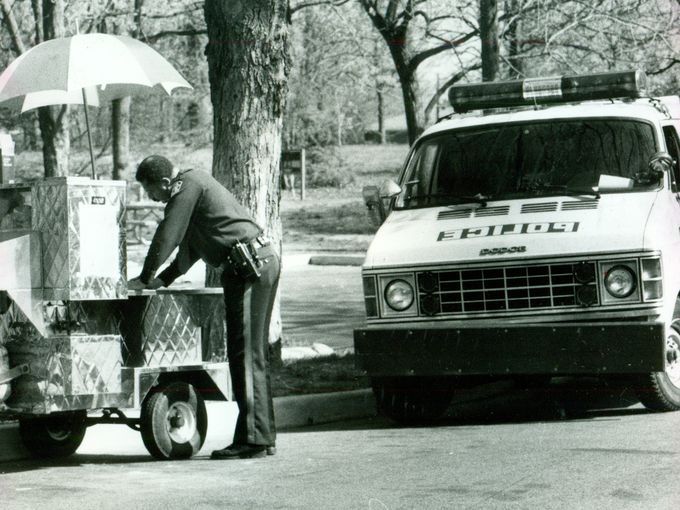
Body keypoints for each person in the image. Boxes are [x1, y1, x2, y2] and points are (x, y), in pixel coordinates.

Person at [128, 155, 280, 460]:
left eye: (150, 191)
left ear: (165, 182)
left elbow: (169, 235)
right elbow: (192, 247)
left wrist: (144, 278)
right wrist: (162, 279)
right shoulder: (193, 188)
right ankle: (261, 436)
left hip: (249, 268)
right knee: (249, 354)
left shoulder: (187, 186)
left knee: (246, 355)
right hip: (253, 264)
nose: (152, 198)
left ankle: (253, 440)